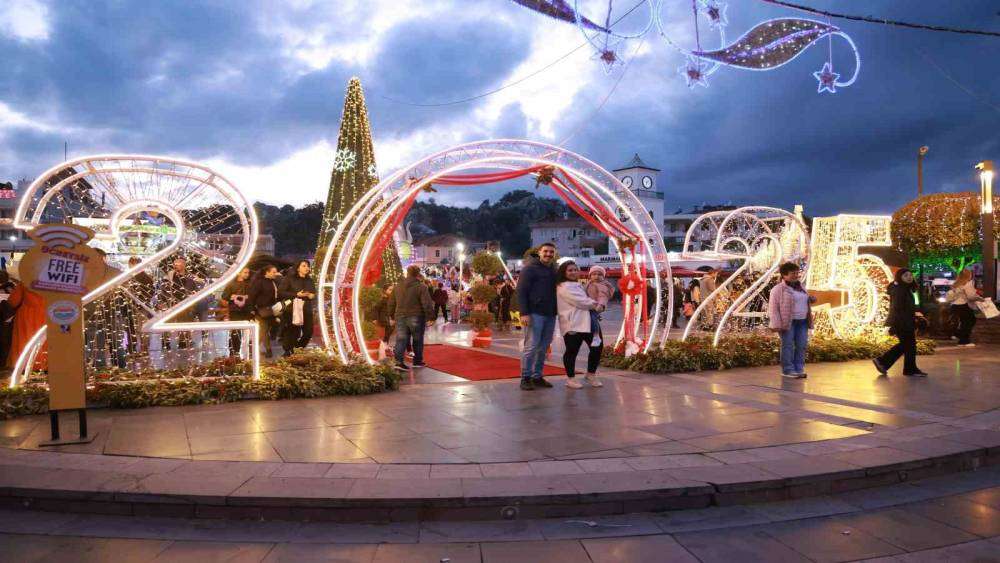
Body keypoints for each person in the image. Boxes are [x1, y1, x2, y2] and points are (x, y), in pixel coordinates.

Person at [516, 242, 558, 390]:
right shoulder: (529, 269)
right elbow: (521, 291)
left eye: (551, 252)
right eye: (545, 251)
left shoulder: (554, 269)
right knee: (531, 346)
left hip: (551, 313)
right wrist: (524, 313)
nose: (548, 254)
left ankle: (537, 376)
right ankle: (525, 377)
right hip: (534, 313)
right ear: (539, 252)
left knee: (544, 347)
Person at [557, 261, 604, 389]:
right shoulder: (563, 286)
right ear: (564, 272)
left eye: (575, 270)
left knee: (597, 347)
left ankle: (590, 374)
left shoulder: (579, 285)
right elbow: (581, 301)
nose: (573, 272)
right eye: (570, 270)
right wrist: (597, 305)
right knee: (572, 351)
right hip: (572, 324)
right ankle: (570, 378)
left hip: (589, 322)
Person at [874, 268, 928, 377]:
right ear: (900, 277)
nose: (909, 277)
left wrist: (915, 316)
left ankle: (886, 363)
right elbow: (896, 308)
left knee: (908, 345)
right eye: (905, 275)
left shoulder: (904, 288)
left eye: (910, 275)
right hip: (901, 322)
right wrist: (895, 324)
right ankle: (885, 362)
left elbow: (906, 307)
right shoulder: (900, 290)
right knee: (908, 345)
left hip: (905, 321)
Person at [768, 262, 812, 379]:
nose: (796, 275)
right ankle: (788, 370)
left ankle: (799, 368)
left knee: (801, 345)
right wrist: (776, 323)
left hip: (802, 321)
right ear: (784, 275)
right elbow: (773, 308)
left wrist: (810, 299)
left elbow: (802, 301)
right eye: (793, 273)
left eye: (797, 273)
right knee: (788, 346)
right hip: (788, 322)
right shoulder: (778, 289)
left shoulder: (801, 287)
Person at [388, 265, 434, 370]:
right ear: (418, 274)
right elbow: (426, 303)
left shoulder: (397, 286)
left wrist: (391, 315)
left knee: (401, 339)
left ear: (407, 273)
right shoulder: (421, 287)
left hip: (400, 316)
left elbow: (391, 302)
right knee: (417, 339)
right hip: (416, 316)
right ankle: (417, 361)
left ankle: (398, 362)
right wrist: (430, 317)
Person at [277, 260, 316, 357]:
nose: (307, 268)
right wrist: (296, 294)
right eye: (304, 266)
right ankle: (288, 351)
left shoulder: (310, 280)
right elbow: (281, 292)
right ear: (298, 268)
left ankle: (297, 348)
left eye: (308, 266)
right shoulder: (289, 278)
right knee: (292, 331)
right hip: (292, 309)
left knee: (308, 332)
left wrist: (311, 295)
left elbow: (313, 293)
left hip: (306, 308)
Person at [250, 264, 281, 358]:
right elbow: (252, 296)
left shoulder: (273, 282)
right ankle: (268, 350)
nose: (275, 274)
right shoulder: (260, 282)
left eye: (276, 272)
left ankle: (252, 348)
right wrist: (252, 309)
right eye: (273, 272)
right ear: (267, 272)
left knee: (264, 330)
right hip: (261, 309)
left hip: (270, 310)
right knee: (264, 329)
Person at [222, 267, 253, 357]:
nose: (247, 274)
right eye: (245, 272)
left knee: (247, 331)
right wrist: (232, 297)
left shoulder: (249, 284)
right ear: (239, 272)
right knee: (235, 331)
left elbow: (252, 296)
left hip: (246, 310)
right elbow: (224, 296)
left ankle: (246, 350)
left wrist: (247, 298)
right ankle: (234, 351)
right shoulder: (231, 284)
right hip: (235, 310)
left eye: (248, 273)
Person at [948, 269, 983, 347]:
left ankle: (959, 336)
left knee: (965, 322)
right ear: (968, 275)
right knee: (969, 322)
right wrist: (980, 298)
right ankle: (963, 340)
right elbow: (971, 296)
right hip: (964, 305)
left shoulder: (956, 284)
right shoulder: (968, 284)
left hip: (955, 305)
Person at [585, 266, 614, 347]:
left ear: (603, 277)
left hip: (596, 306)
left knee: (593, 318)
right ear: (590, 275)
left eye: (599, 274)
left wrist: (601, 304)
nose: (596, 276)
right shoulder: (589, 283)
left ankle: (596, 336)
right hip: (588, 305)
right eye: (594, 274)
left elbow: (603, 296)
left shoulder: (602, 285)